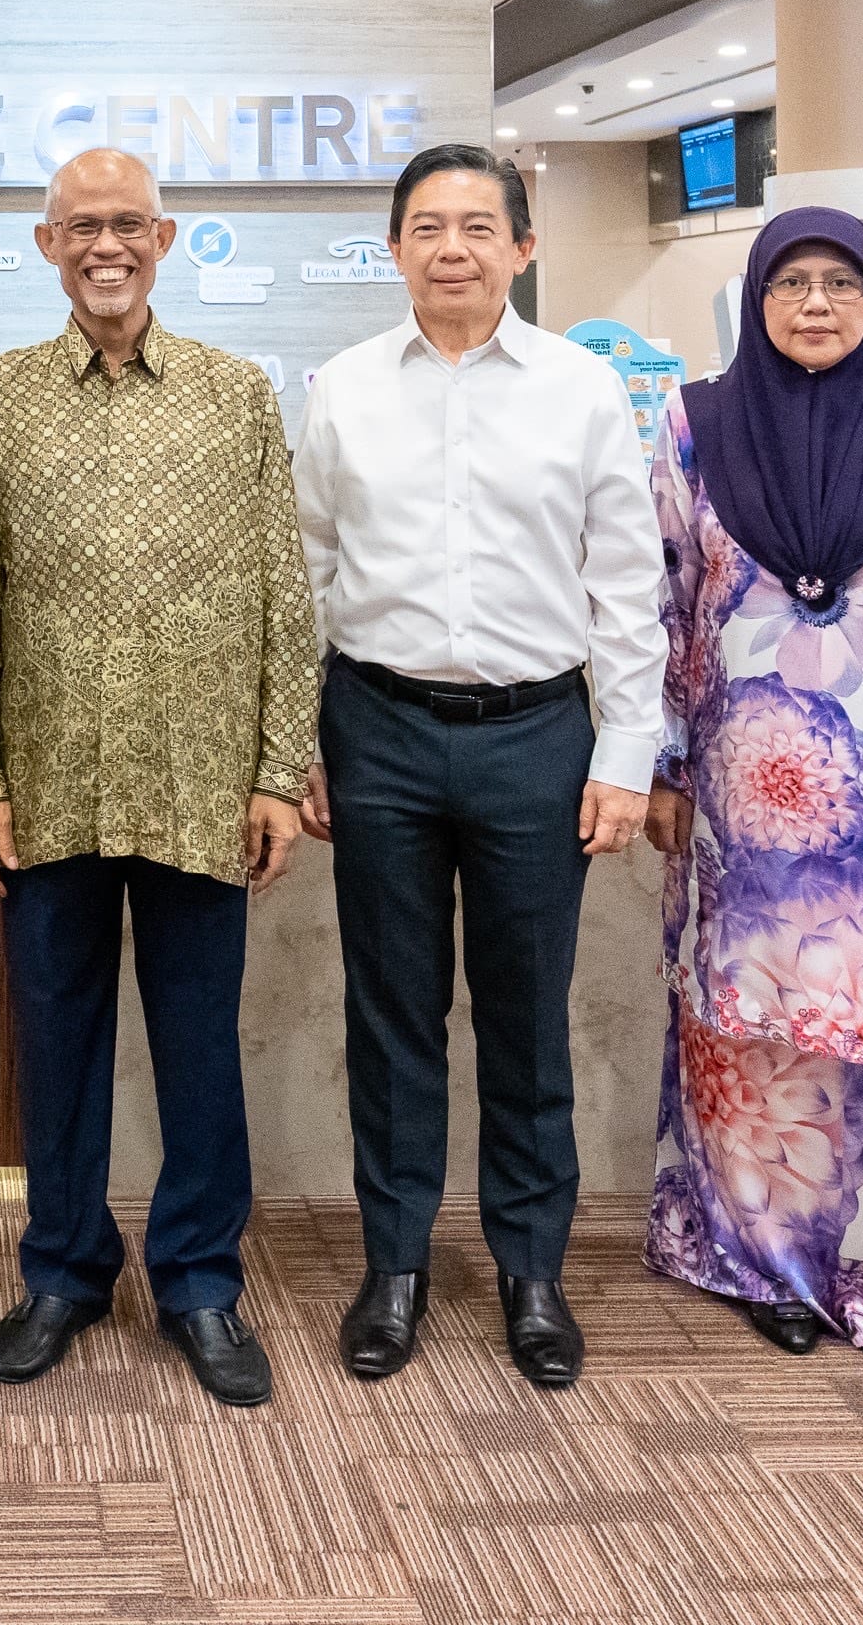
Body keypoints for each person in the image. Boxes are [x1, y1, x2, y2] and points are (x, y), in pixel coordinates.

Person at [0, 148, 318, 1409]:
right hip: (44, 784)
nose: (105, 245)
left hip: (199, 781)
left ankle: (201, 1280)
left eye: (126, 225)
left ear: (164, 237)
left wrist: (276, 769)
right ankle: (62, 1267)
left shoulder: (234, 395)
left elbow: (282, 590)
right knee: (56, 1042)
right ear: (45, 245)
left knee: (199, 1045)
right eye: (79, 226)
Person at [294, 145, 663, 1390]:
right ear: (392, 247)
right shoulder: (342, 387)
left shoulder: (579, 389)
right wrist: (298, 739)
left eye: (475, 226)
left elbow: (625, 583)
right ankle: (392, 1265)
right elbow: (306, 576)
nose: (449, 247)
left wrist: (621, 753)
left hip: (535, 735)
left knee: (523, 1013)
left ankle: (530, 1267)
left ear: (522, 246)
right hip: (377, 725)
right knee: (390, 1012)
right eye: (424, 226)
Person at [638, 209, 863, 1358]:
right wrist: (653, 760)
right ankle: (754, 1259)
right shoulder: (692, 422)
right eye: (789, 281)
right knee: (740, 1028)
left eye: (838, 284)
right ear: (753, 296)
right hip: (730, 797)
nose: (812, 304)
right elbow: (654, 599)